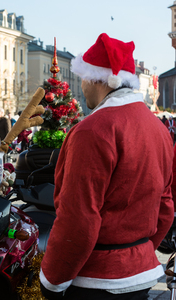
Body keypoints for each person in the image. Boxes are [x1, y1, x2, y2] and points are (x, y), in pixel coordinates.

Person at [39, 33, 174, 300]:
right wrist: (140, 250)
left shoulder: (93, 129)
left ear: (95, 78)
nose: (82, 85)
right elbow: (165, 206)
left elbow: (78, 217)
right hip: (140, 272)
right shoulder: (157, 128)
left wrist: (52, 281)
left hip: (96, 279)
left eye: (83, 77)